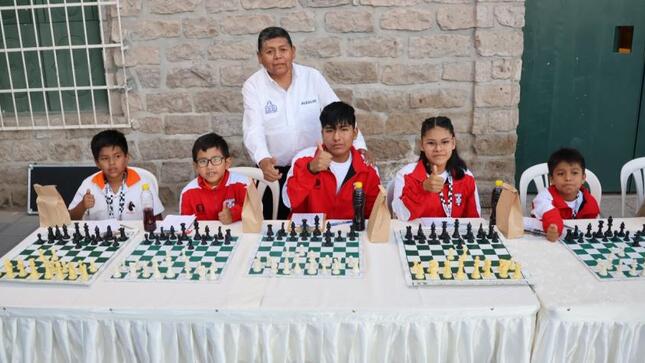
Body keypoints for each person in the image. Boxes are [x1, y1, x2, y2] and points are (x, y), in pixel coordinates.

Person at [242, 26, 370, 219]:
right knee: (274, 227)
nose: (277, 56)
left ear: (293, 52)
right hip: (275, 171)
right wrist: (263, 159)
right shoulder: (253, 86)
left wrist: (359, 146)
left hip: (314, 168)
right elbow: (253, 128)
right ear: (260, 57)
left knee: (312, 223)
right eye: (270, 51)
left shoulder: (312, 77)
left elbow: (339, 113)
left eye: (283, 50)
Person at [283, 102, 380, 219]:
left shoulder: (368, 167)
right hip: (308, 233)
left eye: (344, 129)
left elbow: (373, 215)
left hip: (348, 234)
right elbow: (288, 202)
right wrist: (310, 171)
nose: (336, 138)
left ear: (354, 133)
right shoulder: (304, 159)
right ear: (322, 134)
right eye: (329, 130)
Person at [392, 116, 481, 221]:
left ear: (453, 143)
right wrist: (422, 189)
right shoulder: (405, 175)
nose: (438, 149)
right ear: (422, 145)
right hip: (416, 236)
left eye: (445, 142)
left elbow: (475, 221)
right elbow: (399, 217)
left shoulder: (466, 176)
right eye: (431, 143)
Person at [69, 130, 164, 220]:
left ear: (126, 158)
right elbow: (70, 218)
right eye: (105, 158)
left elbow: (158, 219)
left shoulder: (144, 182)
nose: (111, 163)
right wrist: (82, 206)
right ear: (97, 163)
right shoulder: (88, 184)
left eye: (117, 156)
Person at [531, 148, 600, 242]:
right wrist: (554, 229)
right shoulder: (543, 197)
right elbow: (550, 215)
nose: (568, 178)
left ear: (583, 178)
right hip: (551, 242)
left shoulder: (589, 201)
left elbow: (592, 224)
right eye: (561, 174)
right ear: (552, 179)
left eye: (574, 173)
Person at [180, 133, 249, 223]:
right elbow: (185, 225)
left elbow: (255, 208)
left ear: (227, 163)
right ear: (195, 166)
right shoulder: (188, 193)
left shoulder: (243, 184)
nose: (209, 167)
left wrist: (233, 214)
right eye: (203, 161)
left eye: (215, 160)